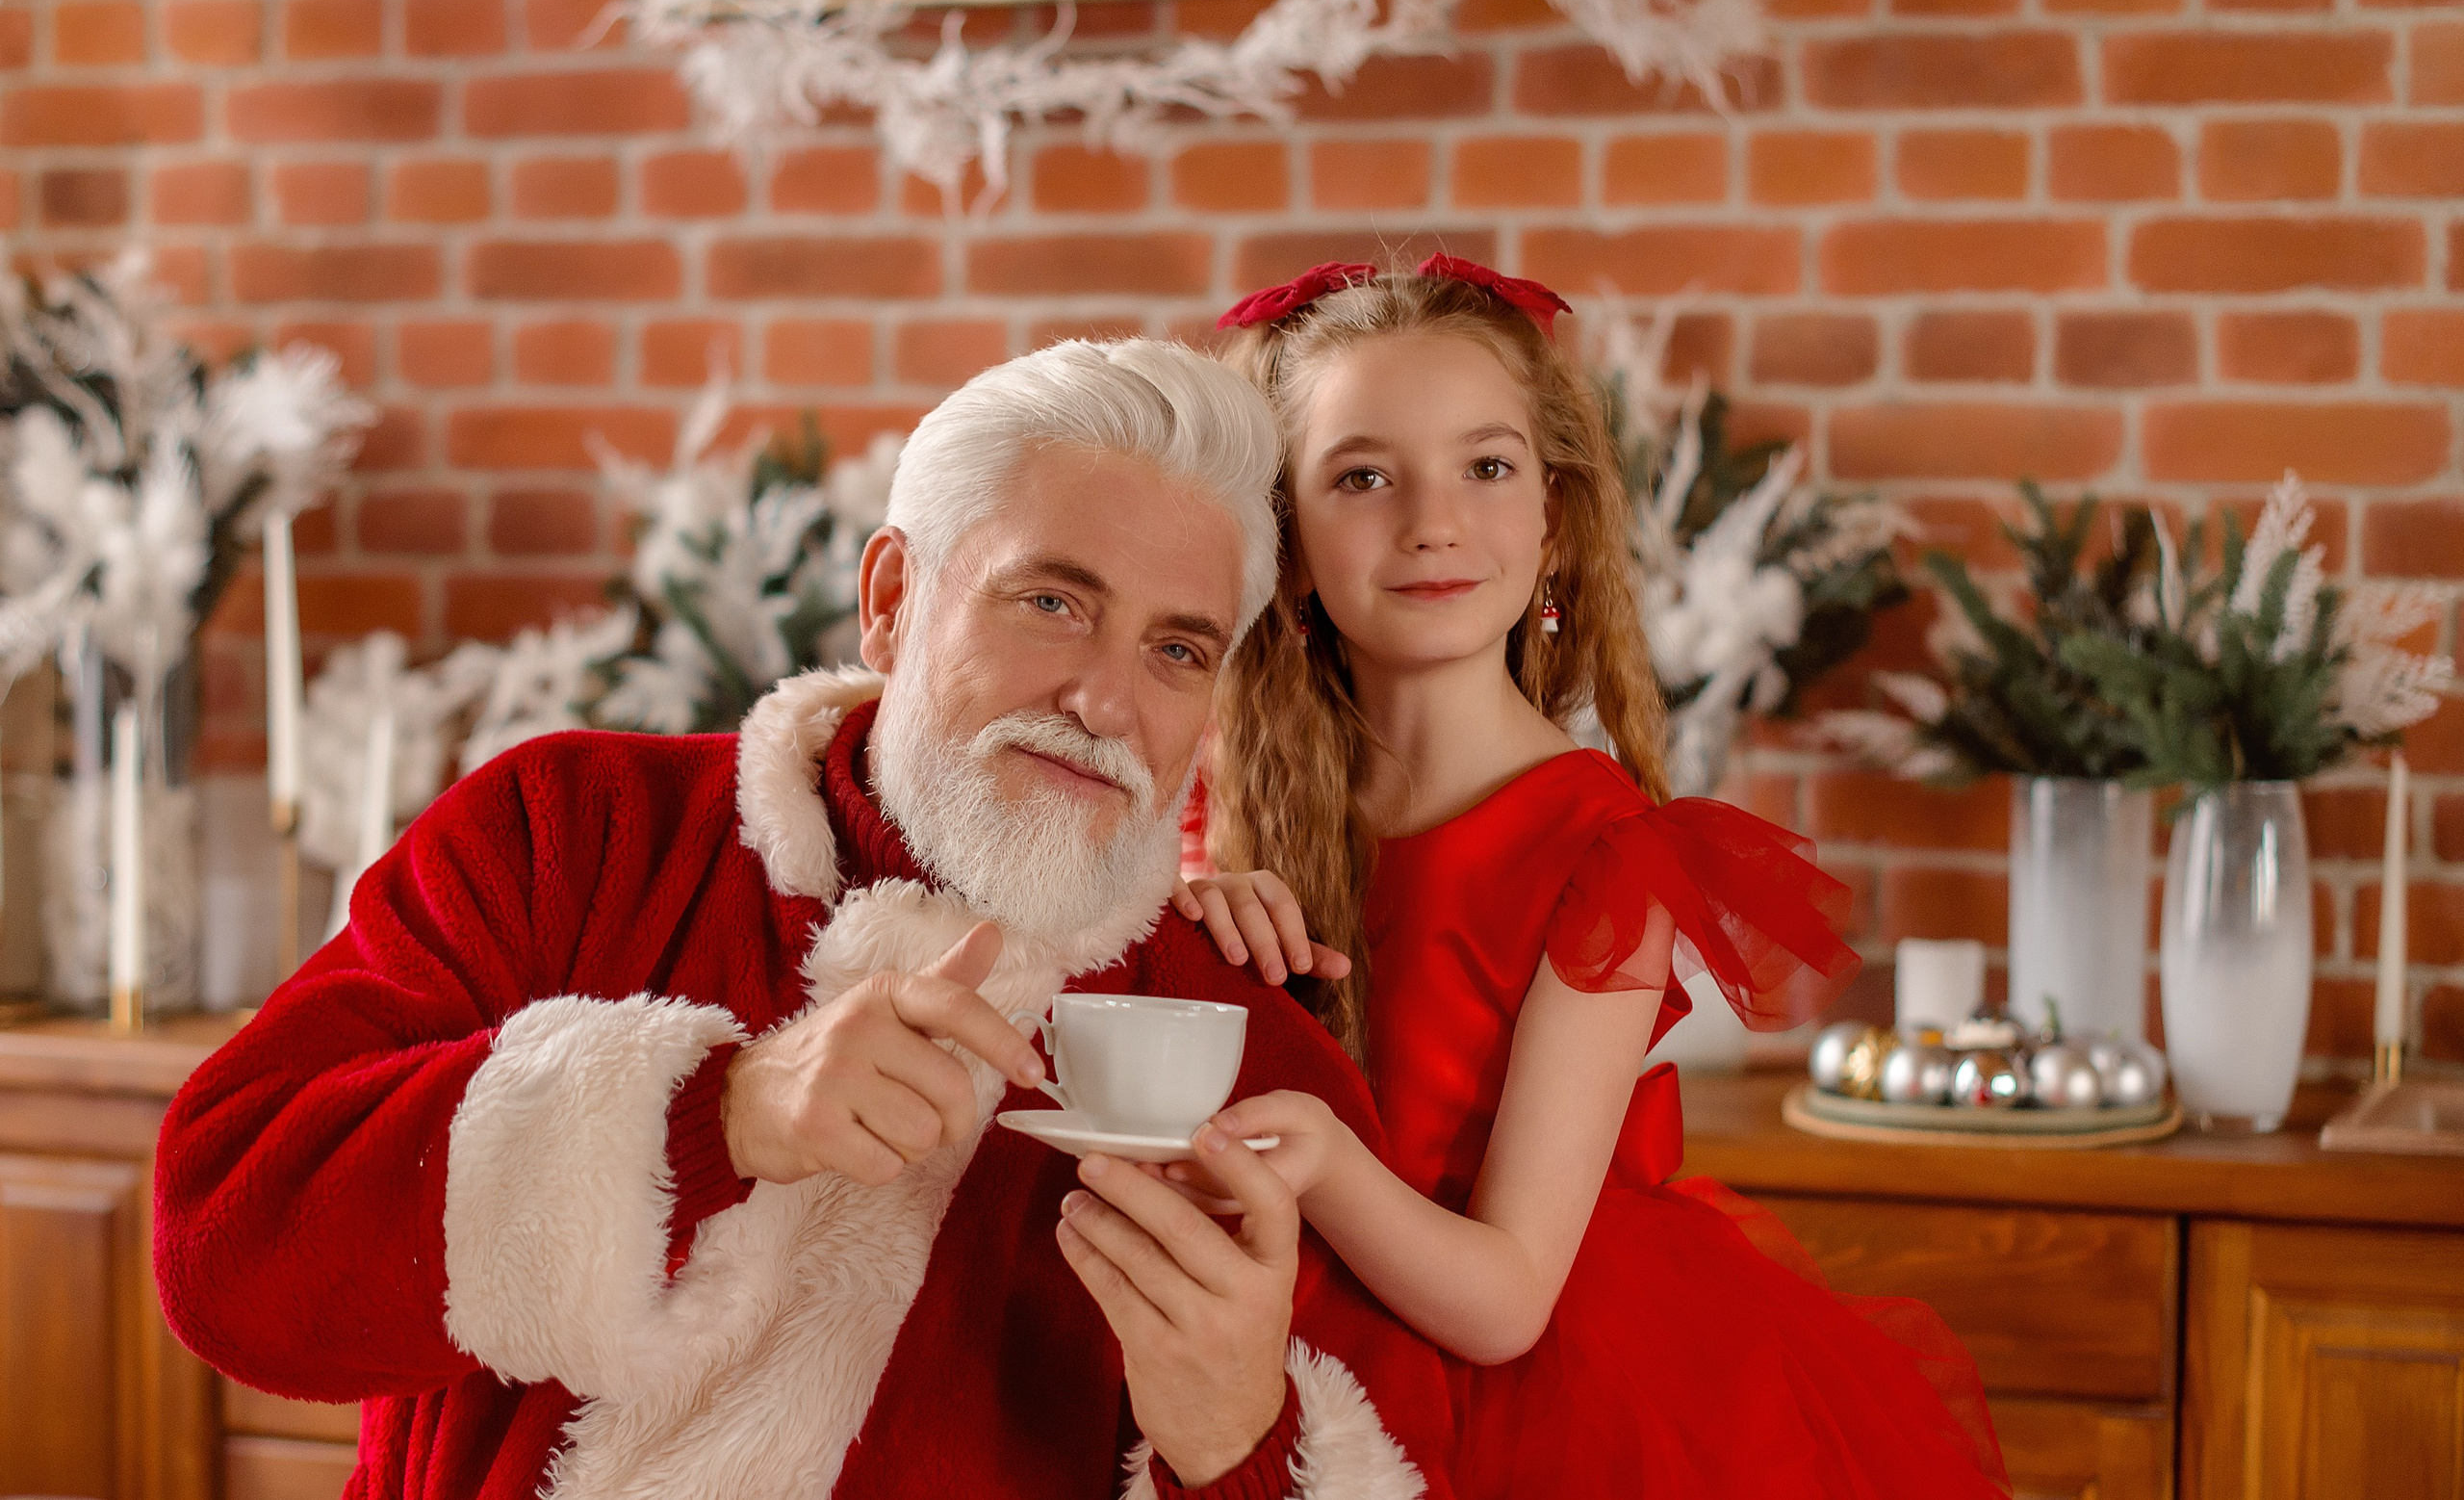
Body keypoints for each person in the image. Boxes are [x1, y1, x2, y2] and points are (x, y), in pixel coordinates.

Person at [152, 339, 1456, 1500]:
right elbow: (220, 1252)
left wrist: (1237, 1446)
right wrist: (713, 1113)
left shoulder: (1251, 1058)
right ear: (890, 598)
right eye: (1051, 602)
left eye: (1177, 650)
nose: (1106, 702)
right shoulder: (568, 834)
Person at [1167, 259, 2013, 1498]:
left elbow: (1508, 1298)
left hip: (1539, 1399)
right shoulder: (1225, 815)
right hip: (1274, 1362)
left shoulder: (1601, 854)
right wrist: (1184, 919)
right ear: (1286, 547)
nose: (1431, 520)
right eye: (1362, 477)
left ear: (1551, 521)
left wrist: (1329, 1164)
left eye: (1485, 466)